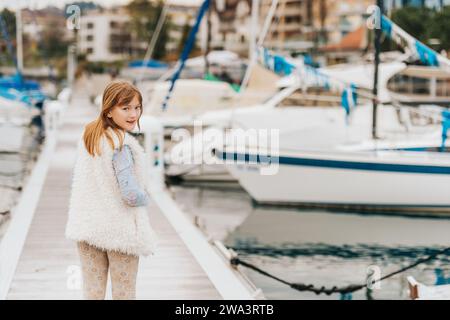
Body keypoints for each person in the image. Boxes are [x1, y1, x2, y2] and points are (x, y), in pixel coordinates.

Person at [65, 80, 158, 300]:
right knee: (124, 294)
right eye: (125, 108)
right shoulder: (122, 145)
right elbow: (131, 195)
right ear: (108, 111)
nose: (133, 114)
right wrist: (148, 197)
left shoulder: (90, 136)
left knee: (92, 293)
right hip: (119, 232)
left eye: (137, 107)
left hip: (87, 228)